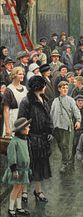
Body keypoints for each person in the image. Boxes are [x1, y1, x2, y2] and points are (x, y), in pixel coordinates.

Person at [17, 75, 54, 203]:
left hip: (42, 139)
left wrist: (50, 131)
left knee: (40, 166)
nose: (44, 87)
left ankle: (38, 191)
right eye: (43, 85)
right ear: (38, 87)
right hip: (30, 138)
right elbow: (22, 121)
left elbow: (48, 118)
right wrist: (24, 138)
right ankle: (24, 192)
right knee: (28, 166)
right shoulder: (26, 101)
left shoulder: (44, 99)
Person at [3, 117, 32, 217]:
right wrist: (14, 169)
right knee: (16, 188)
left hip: (24, 170)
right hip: (17, 170)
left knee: (20, 188)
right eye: (27, 127)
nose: (29, 128)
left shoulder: (24, 140)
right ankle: (11, 208)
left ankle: (19, 207)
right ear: (22, 129)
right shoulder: (14, 142)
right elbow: (12, 157)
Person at [50, 80, 81, 173]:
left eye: (67, 88)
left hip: (66, 126)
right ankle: (67, 159)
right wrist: (51, 125)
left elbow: (76, 111)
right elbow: (51, 113)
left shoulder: (70, 100)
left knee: (65, 145)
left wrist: (78, 120)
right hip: (56, 126)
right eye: (63, 88)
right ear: (59, 89)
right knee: (60, 145)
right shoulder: (55, 101)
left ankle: (65, 163)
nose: (65, 90)